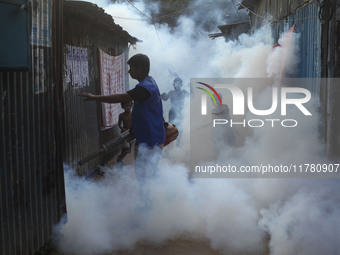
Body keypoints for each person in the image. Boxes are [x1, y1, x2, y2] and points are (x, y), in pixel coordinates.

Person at [78, 53, 165, 186]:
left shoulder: (145, 87)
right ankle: (151, 201)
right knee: (146, 174)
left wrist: (94, 97)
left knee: (144, 176)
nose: (129, 71)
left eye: (131, 68)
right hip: (150, 137)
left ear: (140, 69)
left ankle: (149, 203)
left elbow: (121, 98)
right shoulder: (149, 83)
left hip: (150, 139)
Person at [161, 77, 189, 145]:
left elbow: (192, 96)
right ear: (173, 84)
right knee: (171, 127)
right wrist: (162, 95)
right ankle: (170, 142)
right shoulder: (171, 92)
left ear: (181, 85)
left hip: (180, 112)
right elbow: (165, 98)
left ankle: (178, 142)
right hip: (173, 112)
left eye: (179, 83)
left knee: (180, 127)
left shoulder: (184, 92)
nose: (177, 85)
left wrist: (191, 87)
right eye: (176, 83)